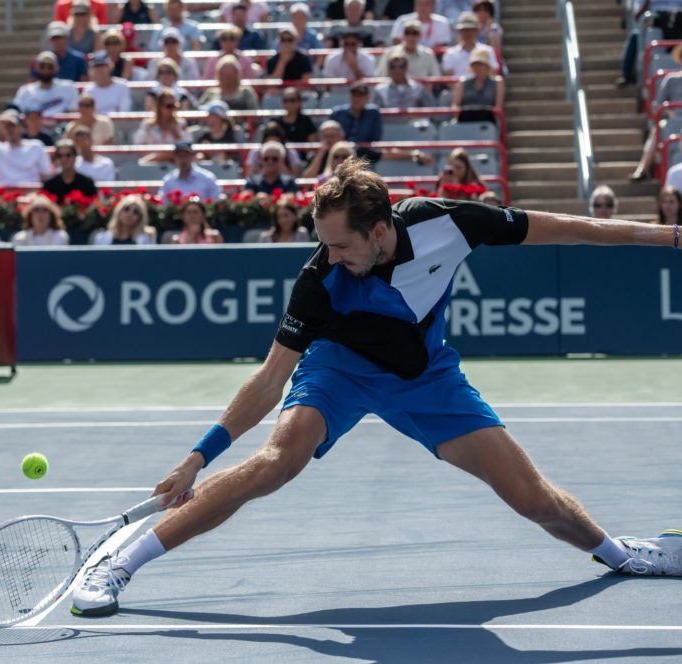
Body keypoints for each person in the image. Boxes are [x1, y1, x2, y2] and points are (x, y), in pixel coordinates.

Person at [70, 157, 682, 619]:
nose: (329, 256)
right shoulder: (319, 281)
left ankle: (623, 552)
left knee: (533, 500)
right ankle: (120, 560)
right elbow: (268, 380)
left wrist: (669, 236)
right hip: (338, 370)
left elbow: (567, 228)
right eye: (324, 243)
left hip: (424, 377)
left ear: (381, 229)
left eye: (341, 243)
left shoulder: (447, 224)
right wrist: (196, 457)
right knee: (277, 463)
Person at [0, 110, 53, 186]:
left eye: (12, 125)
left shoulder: (36, 146)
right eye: (6, 126)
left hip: (30, 194)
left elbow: (47, 174)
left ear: (20, 127)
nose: (9, 129)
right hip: (2, 197)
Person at [14, 51, 79, 117]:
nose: (46, 70)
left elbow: (73, 113)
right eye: (42, 66)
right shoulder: (25, 91)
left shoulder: (68, 87)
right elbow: (17, 114)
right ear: (37, 67)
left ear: (56, 67)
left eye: (50, 67)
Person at [329, 82, 382, 161]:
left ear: (368, 97)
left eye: (361, 95)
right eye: (354, 95)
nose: (357, 98)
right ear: (350, 96)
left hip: (365, 154)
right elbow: (331, 136)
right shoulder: (337, 113)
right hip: (340, 153)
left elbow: (375, 137)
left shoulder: (373, 113)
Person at [452, 47, 504, 123]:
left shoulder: (497, 82)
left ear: (487, 66)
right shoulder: (462, 82)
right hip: (465, 121)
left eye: (481, 64)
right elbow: (455, 106)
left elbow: (498, 107)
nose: (478, 67)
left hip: (487, 122)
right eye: (475, 64)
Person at [375, 20, 441, 79]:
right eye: (408, 33)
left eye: (415, 33)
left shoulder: (428, 54)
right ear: (403, 35)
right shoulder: (390, 53)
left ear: (420, 35)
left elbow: (436, 78)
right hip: (394, 92)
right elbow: (381, 76)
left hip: (421, 92)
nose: (411, 37)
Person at [157, 141, 222, 201]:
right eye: (180, 156)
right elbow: (164, 203)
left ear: (192, 156)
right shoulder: (168, 180)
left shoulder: (208, 178)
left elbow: (216, 201)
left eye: (186, 155)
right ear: (174, 157)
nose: (183, 159)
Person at [42, 139, 99, 204]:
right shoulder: (49, 184)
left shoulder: (87, 183)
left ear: (75, 156)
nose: (64, 159)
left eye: (68, 155)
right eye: (60, 156)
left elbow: (94, 207)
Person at [441, 12, 499, 77]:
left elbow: (493, 75)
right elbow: (449, 80)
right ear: (459, 31)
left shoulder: (488, 51)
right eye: (464, 30)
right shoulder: (450, 54)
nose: (468, 33)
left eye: (471, 29)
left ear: (477, 31)